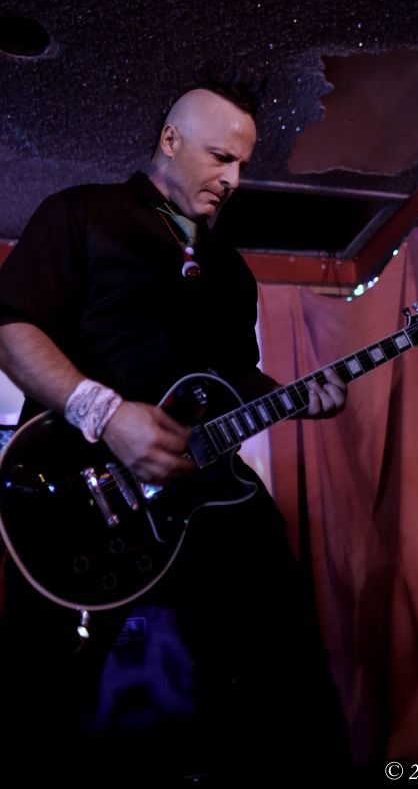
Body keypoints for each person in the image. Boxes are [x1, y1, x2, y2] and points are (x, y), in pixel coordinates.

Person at [0, 82, 351, 786]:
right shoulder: (81, 213)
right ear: (170, 140)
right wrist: (104, 413)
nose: (234, 179)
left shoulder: (232, 272)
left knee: (289, 669)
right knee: (43, 696)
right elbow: (11, 326)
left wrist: (298, 397)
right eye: (221, 157)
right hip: (82, 490)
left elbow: (234, 380)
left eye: (243, 164)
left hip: (206, 495)